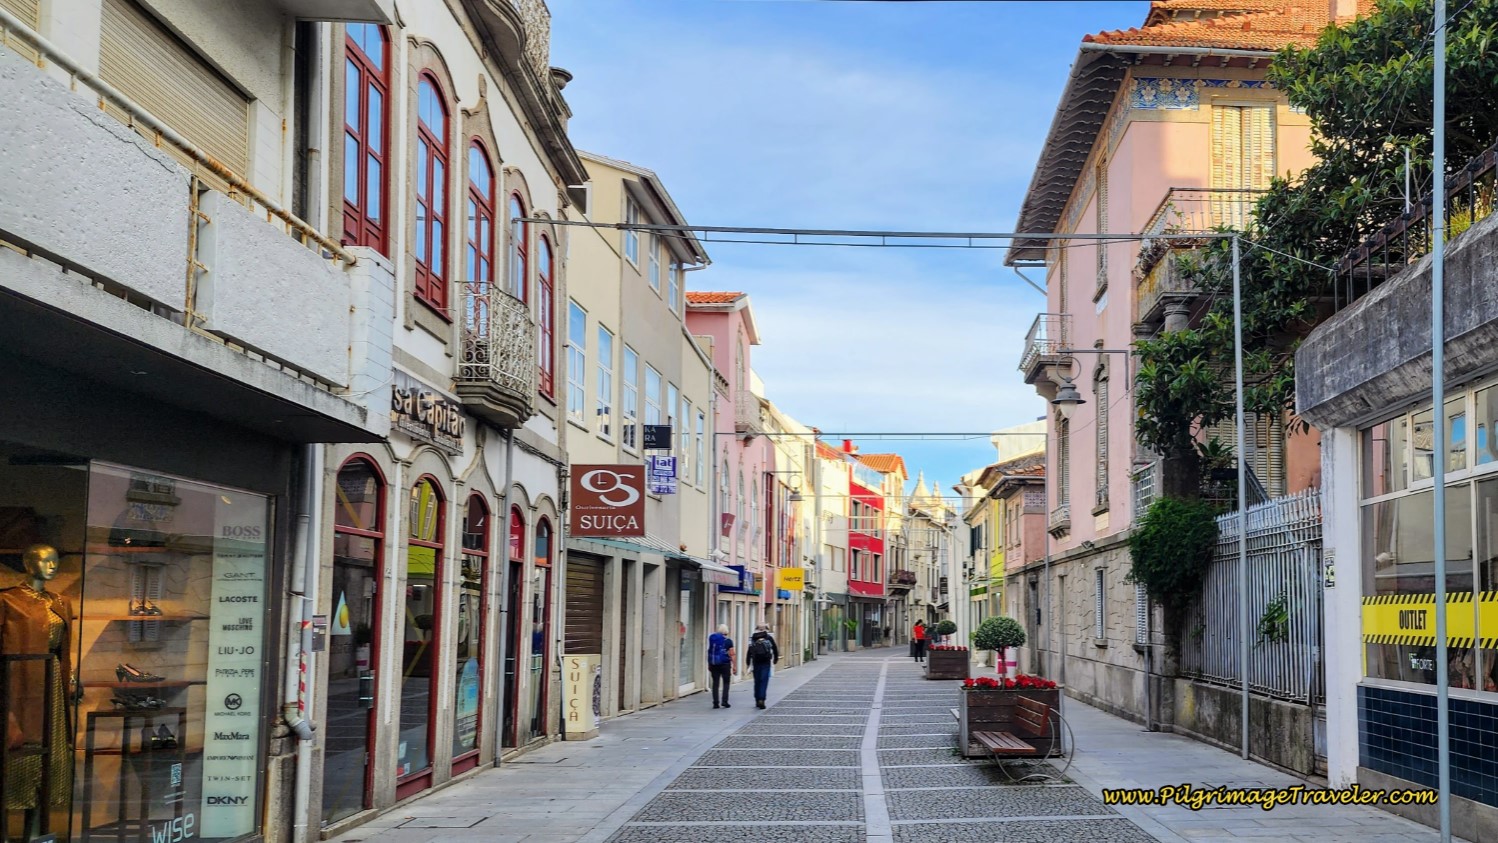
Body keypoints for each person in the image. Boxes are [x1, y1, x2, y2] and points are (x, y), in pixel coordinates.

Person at [746, 625, 780, 709]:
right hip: (766, 662)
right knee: (764, 681)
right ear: (766, 629)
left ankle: (757, 699)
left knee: (757, 681)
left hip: (756, 662)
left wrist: (747, 662)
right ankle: (762, 699)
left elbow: (749, 650)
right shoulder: (768, 637)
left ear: (756, 629)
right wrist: (775, 659)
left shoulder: (753, 638)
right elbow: (775, 648)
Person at [707, 624, 736, 709]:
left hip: (714, 664)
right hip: (725, 664)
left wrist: (710, 664)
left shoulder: (713, 640)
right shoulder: (728, 641)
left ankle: (715, 703)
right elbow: (732, 654)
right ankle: (724, 701)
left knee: (715, 683)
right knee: (726, 683)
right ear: (726, 631)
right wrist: (734, 666)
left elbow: (710, 652)